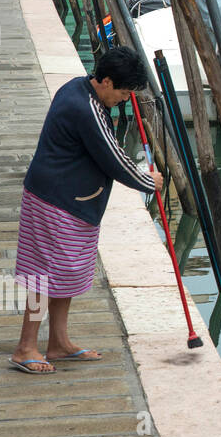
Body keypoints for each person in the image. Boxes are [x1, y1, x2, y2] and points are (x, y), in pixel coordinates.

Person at [10, 48, 162, 374]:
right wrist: (148, 182)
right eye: (123, 92)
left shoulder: (77, 88)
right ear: (106, 81)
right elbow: (113, 157)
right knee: (44, 274)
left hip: (69, 201)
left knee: (63, 274)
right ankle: (25, 347)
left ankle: (59, 343)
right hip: (55, 200)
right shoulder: (86, 108)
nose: (124, 99)